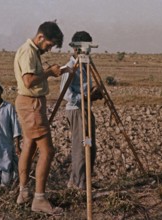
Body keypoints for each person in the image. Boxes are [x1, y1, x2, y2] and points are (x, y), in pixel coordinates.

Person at [14, 21, 67, 215]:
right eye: (49, 45)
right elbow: (29, 81)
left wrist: (58, 71)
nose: (49, 49)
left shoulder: (31, 50)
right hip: (32, 104)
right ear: (41, 37)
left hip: (29, 103)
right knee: (48, 151)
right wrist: (49, 73)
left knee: (29, 146)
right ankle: (39, 199)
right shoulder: (28, 51)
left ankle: (24, 192)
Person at [60, 31, 102, 190]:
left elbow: (85, 89)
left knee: (90, 146)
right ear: (78, 48)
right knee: (81, 146)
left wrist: (93, 93)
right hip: (77, 110)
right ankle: (78, 183)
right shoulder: (70, 67)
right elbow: (66, 94)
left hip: (85, 109)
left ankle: (85, 180)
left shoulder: (85, 66)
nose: (89, 52)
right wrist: (85, 97)